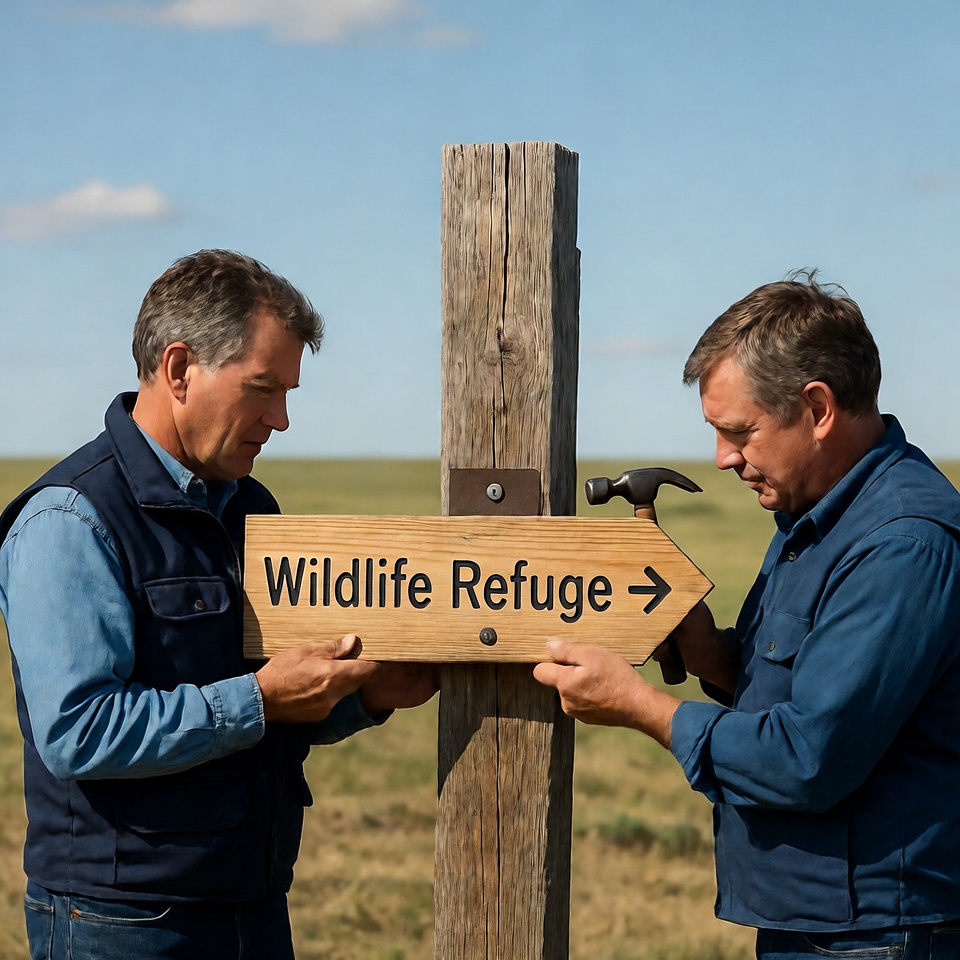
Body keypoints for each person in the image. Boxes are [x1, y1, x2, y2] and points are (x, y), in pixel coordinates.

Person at [0, 249, 437, 960]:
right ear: (179, 369)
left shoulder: (250, 508)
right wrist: (261, 698)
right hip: (122, 924)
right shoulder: (70, 519)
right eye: (262, 389)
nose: (282, 419)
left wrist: (362, 698)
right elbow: (78, 731)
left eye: (288, 392)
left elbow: (266, 710)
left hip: (252, 903)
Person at [535, 272, 960, 959]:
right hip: (821, 924)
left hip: (876, 936)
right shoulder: (814, 512)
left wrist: (643, 707)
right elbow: (801, 690)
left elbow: (809, 757)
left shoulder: (902, 543)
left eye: (740, 432)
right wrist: (709, 653)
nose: (723, 458)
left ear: (817, 408)